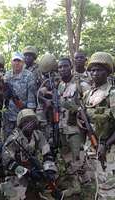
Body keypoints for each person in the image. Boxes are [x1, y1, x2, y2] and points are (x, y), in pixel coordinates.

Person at [0, 109, 57, 200]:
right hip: (16, 175)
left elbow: (47, 153)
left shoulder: (37, 135)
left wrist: (49, 171)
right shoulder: (14, 138)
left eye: (31, 121)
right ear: (20, 123)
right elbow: (7, 162)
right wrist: (26, 172)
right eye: (26, 121)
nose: (29, 124)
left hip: (33, 171)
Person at [80, 52, 115, 199]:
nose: (95, 73)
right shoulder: (88, 94)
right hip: (91, 145)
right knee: (98, 180)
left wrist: (105, 144)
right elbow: (84, 119)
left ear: (107, 72)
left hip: (108, 147)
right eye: (92, 70)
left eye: (99, 70)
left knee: (108, 186)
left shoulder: (112, 94)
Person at [57, 57, 90, 197]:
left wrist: (76, 111)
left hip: (76, 129)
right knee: (67, 157)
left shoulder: (81, 84)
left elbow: (90, 107)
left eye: (65, 66)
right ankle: (75, 183)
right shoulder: (59, 86)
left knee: (77, 157)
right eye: (60, 67)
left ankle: (82, 185)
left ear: (71, 66)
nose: (63, 69)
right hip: (62, 127)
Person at [3, 52, 36, 138]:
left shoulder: (29, 76)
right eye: (15, 60)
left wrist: (29, 119)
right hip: (8, 116)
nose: (17, 63)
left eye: (19, 61)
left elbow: (31, 100)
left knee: (23, 141)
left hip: (23, 116)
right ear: (11, 62)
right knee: (8, 141)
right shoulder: (7, 75)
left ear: (23, 63)